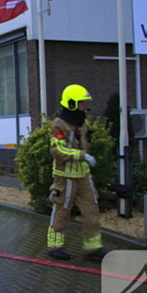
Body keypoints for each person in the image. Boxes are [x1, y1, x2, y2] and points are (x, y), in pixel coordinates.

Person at [47, 84, 108, 262]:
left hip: (83, 177)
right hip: (65, 178)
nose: (84, 106)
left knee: (92, 212)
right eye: (82, 103)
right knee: (61, 212)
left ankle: (93, 248)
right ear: (72, 103)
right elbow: (57, 150)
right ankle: (55, 247)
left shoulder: (81, 123)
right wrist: (83, 156)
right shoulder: (59, 124)